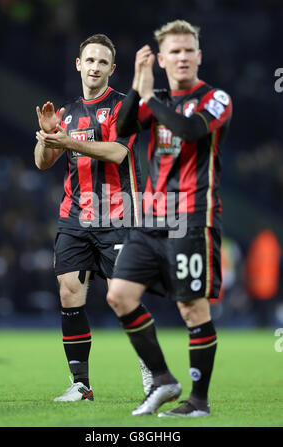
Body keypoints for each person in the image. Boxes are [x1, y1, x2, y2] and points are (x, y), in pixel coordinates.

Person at [107, 19, 232, 417]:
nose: (182, 57)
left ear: (199, 56)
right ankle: (163, 380)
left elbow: (191, 130)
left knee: (192, 309)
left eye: (188, 50)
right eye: (173, 52)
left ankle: (198, 401)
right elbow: (123, 128)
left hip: (193, 216)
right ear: (162, 59)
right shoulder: (154, 93)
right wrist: (138, 83)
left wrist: (150, 98)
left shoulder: (216, 98)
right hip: (150, 218)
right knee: (119, 295)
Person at [34, 34, 143, 402]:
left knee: (122, 297)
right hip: (74, 215)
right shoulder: (65, 113)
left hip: (116, 215)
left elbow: (115, 152)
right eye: (89, 60)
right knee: (69, 291)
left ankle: (152, 374)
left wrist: (66, 141)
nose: (94, 67)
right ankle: (81, 385)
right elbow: (42, 162)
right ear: (78, 64)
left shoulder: (123, 106)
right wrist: (49, 135)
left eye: (102, 62)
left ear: (112, 69)